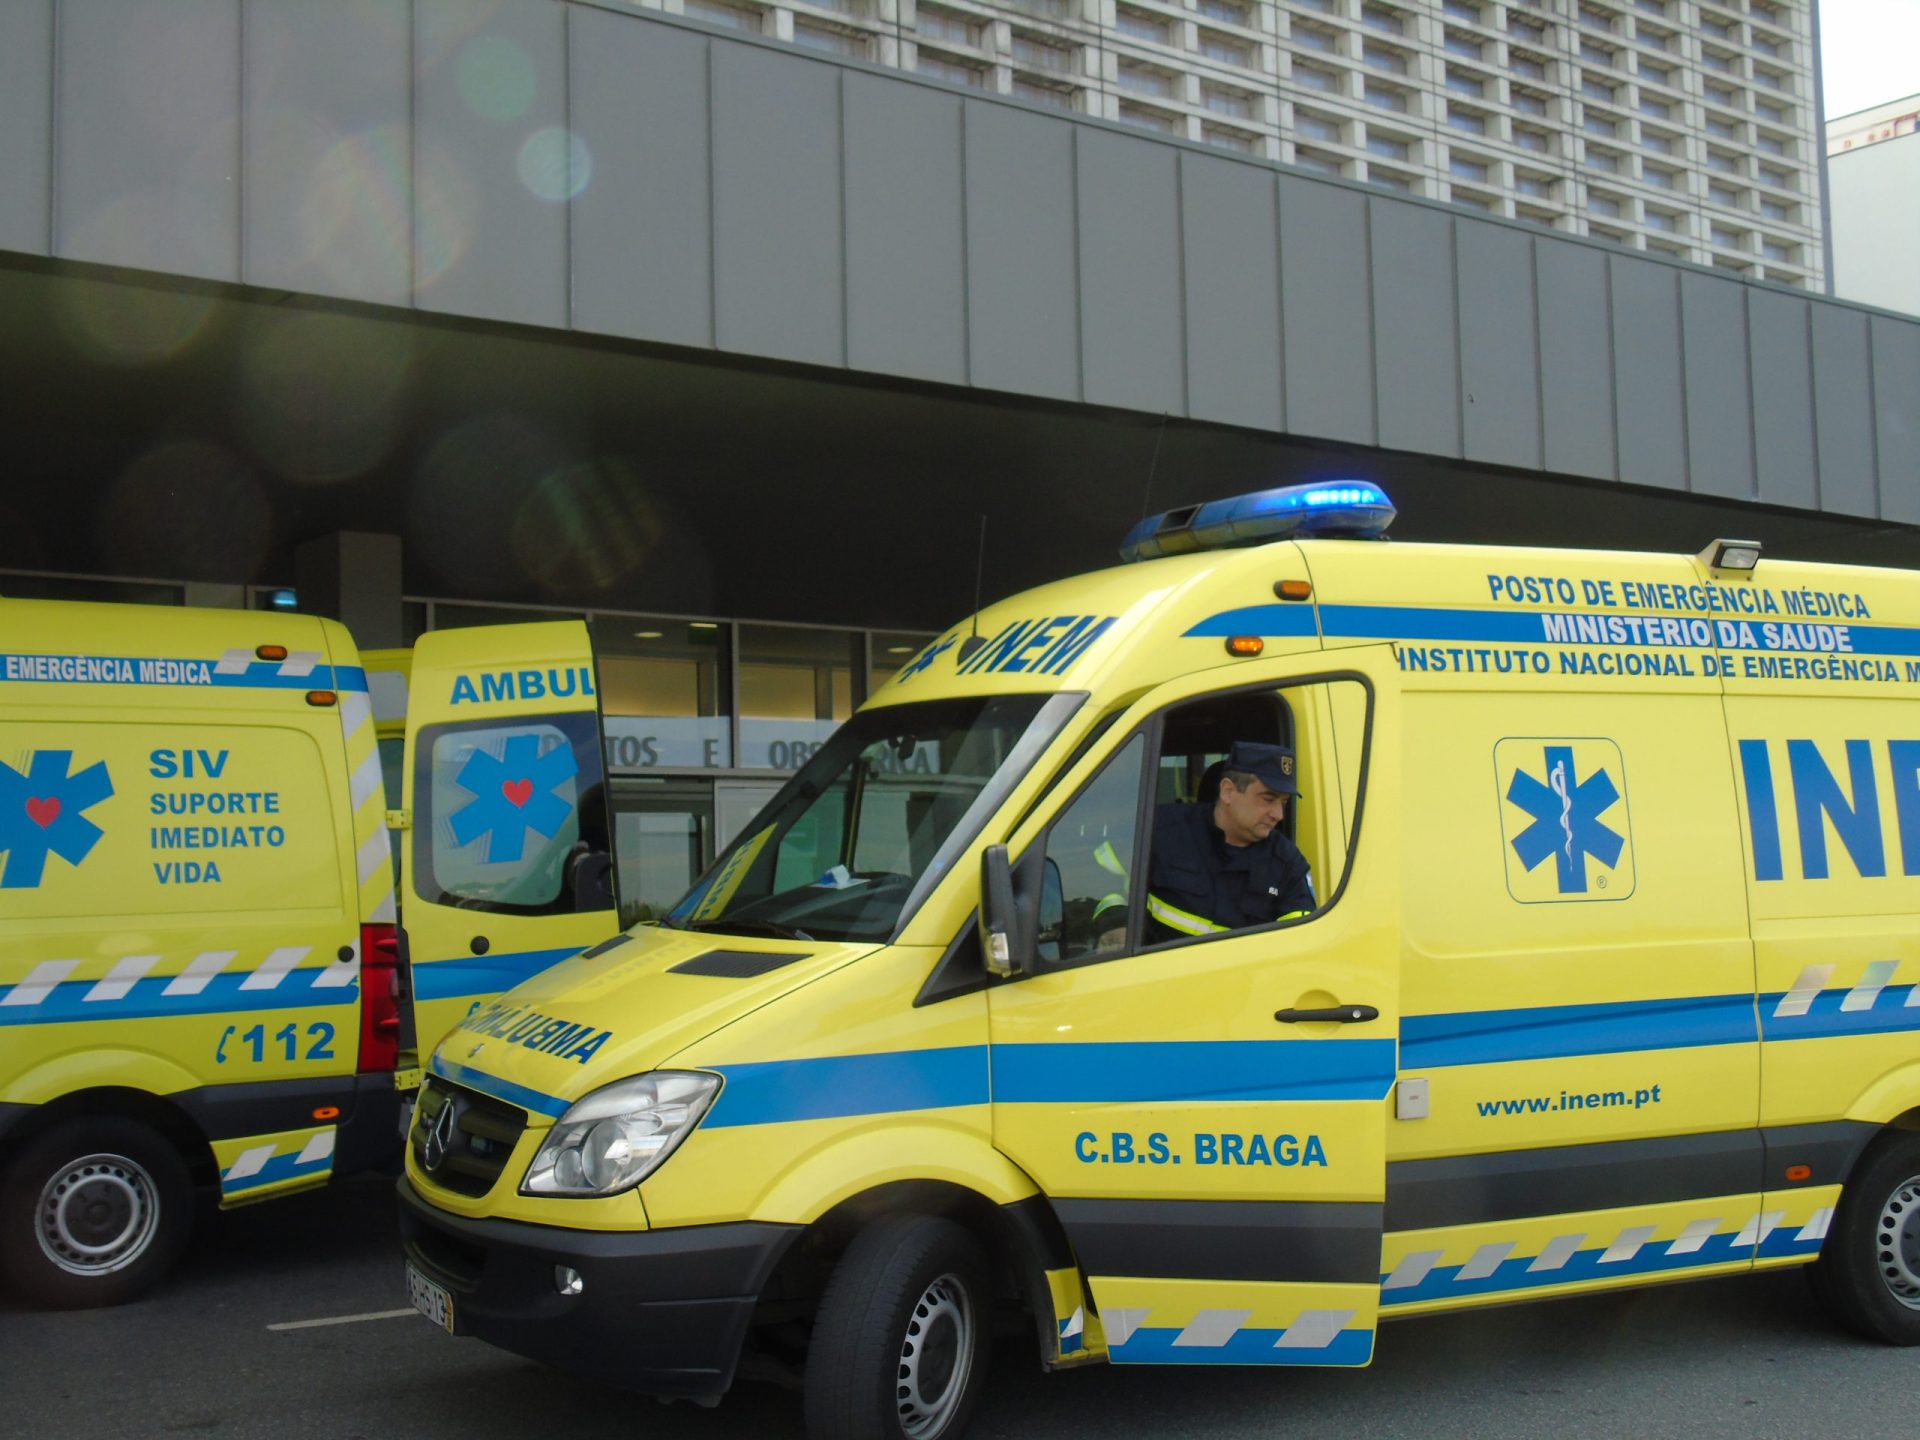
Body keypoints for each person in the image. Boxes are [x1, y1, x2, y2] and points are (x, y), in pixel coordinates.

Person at [1144, 740, 1314, 943]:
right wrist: (1115, 922)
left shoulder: (1287, 862)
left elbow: (1299, 942)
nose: (1278, 814)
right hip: (1157, 971)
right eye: (1268, 799)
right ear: (1228, 791)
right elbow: (1109, 883)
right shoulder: (1162, 829)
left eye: (1284, 802)